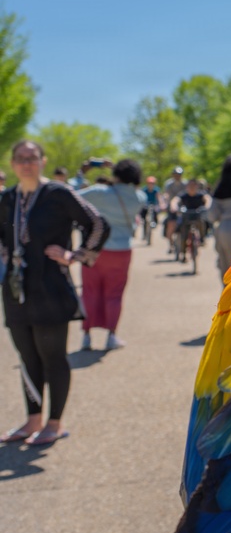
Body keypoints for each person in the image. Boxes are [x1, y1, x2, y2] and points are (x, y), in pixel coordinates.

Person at [0, 140, 108, 446]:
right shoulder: (6, 198)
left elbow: (98, 224)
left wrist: (75, 255)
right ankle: (32, 420)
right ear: (13, 163)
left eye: (32, 158)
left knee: (53, 357)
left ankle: (54, 423)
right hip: (16, 290)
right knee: (27, 357)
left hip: (51, 289)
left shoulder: (58, 194)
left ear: (42, 161)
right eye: (21, 158)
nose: (27, 163)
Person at [78, 159, 145, 351]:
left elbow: (70, 196)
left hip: (95, 249)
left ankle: (86, 336)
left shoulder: (100, 192)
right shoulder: (139, 197)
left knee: (89, 292)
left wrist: (82, 173)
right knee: (114, 294)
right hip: (122, 251)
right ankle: (111, 336)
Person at [170, 178, 210, 264]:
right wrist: (174, 207)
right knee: (183, 234)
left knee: (202, 222)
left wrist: (207, 207)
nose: (192, 187)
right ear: (187, 186)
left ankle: (202, 239)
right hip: (186, 217)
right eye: (190, 185)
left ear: (197, 186)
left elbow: (207, 199)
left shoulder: (201, 194)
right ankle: (183, 253)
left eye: (194, 185)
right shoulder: (183, 195)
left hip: (198, 216)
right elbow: (175, 200)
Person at [163, 166, 186, 249]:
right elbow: (166, 194)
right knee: (171, 225)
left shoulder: (185, 184)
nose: (177, 176)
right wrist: (165, 203)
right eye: (176, 174)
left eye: (179, 174)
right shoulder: (169, 184)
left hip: (183, 206)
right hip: (172, 207)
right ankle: (171, 244)